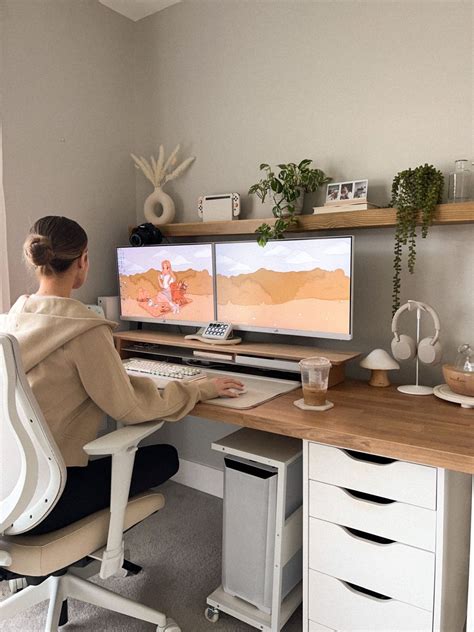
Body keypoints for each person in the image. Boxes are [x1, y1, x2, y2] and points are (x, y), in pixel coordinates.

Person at [4, 216, 244, 534]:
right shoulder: (83, 329)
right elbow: (129, 408)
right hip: (49, 498)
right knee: (165, 457)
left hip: (10, 491)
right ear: (83, 261)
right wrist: (199, 389)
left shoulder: (12, 321)